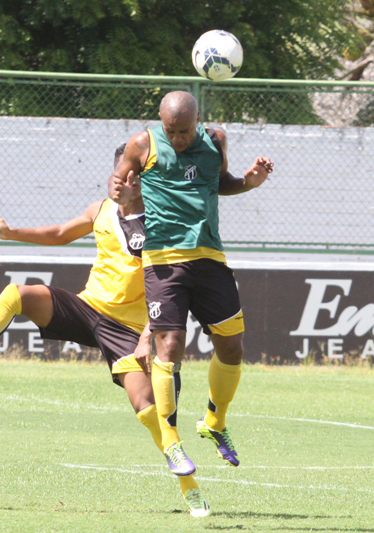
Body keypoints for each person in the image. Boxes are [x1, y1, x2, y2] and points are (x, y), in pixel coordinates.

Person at [0, 145, 211, 517]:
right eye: (116, 176)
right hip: (87, 309)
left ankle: (189, 486)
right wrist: (9, 233)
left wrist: (148, 334)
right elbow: (58, 233)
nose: (119, 183)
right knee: (18, 294)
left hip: (128, 328)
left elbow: (173, 288)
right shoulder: (100, 210)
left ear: (144, 181)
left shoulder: (160, 223)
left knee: (146, 407)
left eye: (129, 178)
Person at [109, 91, 273, 478]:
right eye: (171, 131)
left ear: (198, 121)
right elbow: (117, 185)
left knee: (232, 347)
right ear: (161, 122)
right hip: (163, 260)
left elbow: (219, 183)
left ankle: (214, 422)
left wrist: (248, 183)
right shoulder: (142, 143)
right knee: (169, 346)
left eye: (184, 131)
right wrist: (123, 194)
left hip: (209, 256)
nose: (178, 138)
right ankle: (171, 442)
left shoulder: (216, 140)